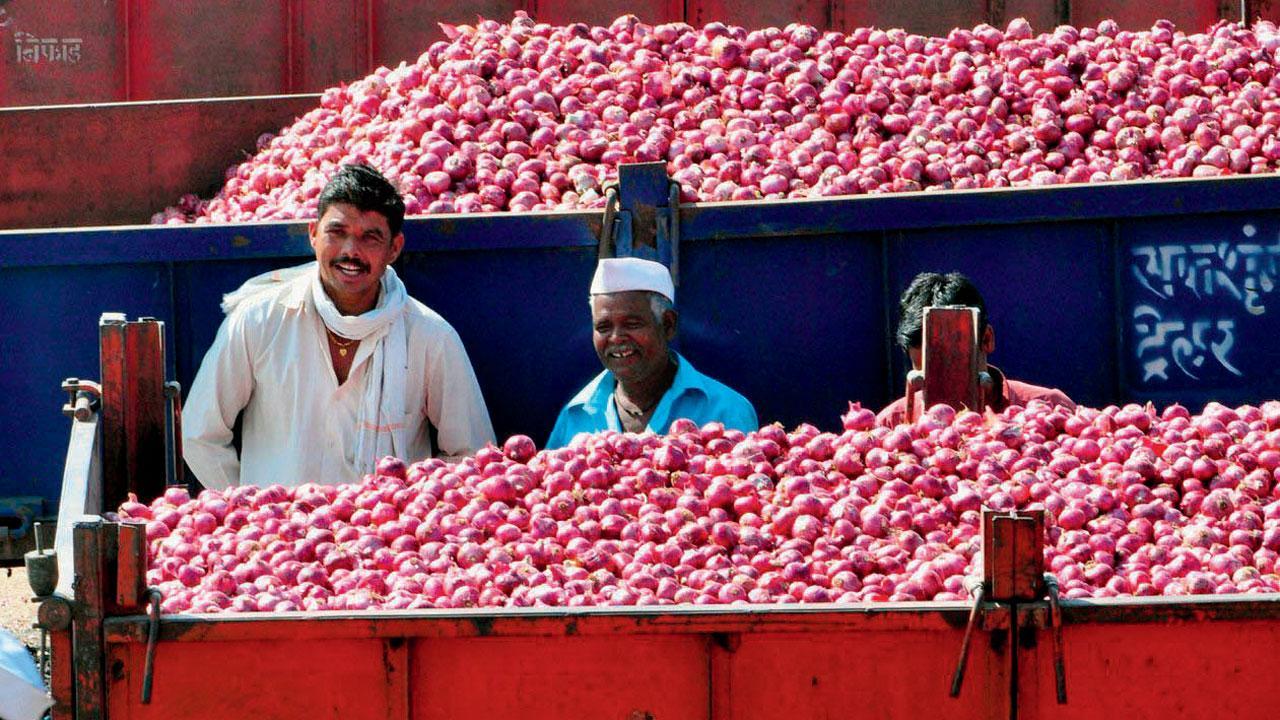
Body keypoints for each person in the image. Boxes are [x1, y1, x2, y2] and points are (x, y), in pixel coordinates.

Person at [183, 164, 494, 489]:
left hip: (387, 521)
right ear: (313, 234)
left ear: (394, 248)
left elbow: (470, 455)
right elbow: (198, 433)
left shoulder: (430, 337)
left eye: (370, 237)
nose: (350, 251)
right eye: (337, 232)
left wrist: (413, 508)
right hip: (276, 521)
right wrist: (249, 507)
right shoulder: (259, 321)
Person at [546, 257, 758, 448]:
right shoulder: (575, 416)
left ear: (668, 325)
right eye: (603, 327)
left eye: (632, 324)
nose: (616, 337)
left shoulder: (726, 410)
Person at [877, 271, 1075, 427]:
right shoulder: (890, 424)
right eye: (929, 378)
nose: (945, 390)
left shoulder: (1051, 409)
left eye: (954, 372)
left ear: (987, 339)